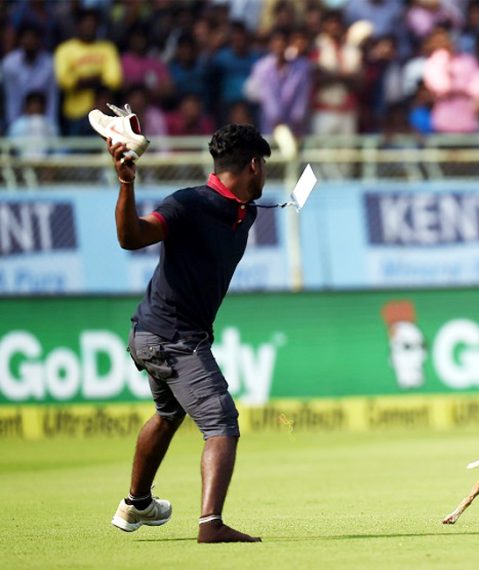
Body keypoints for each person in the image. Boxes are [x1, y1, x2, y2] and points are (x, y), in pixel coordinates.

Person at [107, 123, 269, 543]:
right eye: (264, 166)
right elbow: (130, 237)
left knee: (167, 415)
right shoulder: (187, 204)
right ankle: (210, 525)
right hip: (173, 337)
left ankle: (137, 504)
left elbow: (239, 208)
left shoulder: (244, 211)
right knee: (221, 421)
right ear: (253, 165)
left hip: (151, 332)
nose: (266, 175)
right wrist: (127, 183)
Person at [53, 9, 122, 136]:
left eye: (92, 24)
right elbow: (65, 81)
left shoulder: (107, 48)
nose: (89, 28)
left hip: (104, 115)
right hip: (75, 114)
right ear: (78, 26)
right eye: (85, 24)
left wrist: (80, 80)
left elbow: (114, 80)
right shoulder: (65, 49)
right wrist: (98, 78)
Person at [2, 24, 57, 132]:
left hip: (43, 120)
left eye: (33, 38)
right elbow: (12, 98)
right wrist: (13, 127)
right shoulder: (9, 64)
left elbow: (52, 98)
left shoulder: (49, 64)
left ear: (39, 41)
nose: (29, 41)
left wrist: (51, 125)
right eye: (26, 37)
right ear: (20, 40)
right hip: (17, 121)